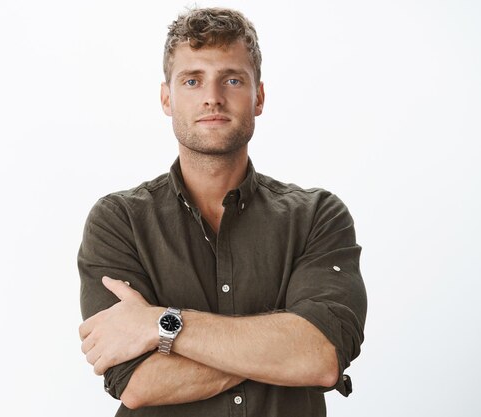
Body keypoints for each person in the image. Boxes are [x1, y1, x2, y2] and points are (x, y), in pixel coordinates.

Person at [78, 7, 367, 417]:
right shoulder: (119, 221)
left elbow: (320, 357)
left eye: (232, 79)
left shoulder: (317, 216)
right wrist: (280, 352)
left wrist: (159, 324)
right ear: (167, 97)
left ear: (259, 96)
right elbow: (138, 383)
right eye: (192, 80)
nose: (212, 96)